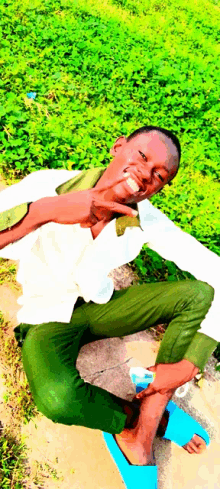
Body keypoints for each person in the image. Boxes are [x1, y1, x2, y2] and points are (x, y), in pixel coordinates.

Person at [0, 126, 219, 468]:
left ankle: (153, 406)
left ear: (161, 188)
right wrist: (44, 210)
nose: (144, 174)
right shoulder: (49, 185)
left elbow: (215, 273)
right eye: (142, 156)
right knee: (59, 398)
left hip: (98, 306)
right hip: (44, 317)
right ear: (119, 147)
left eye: (158, 175)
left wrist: (188, 367)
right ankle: (141, 422)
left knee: (198, 293)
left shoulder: (145, 219)